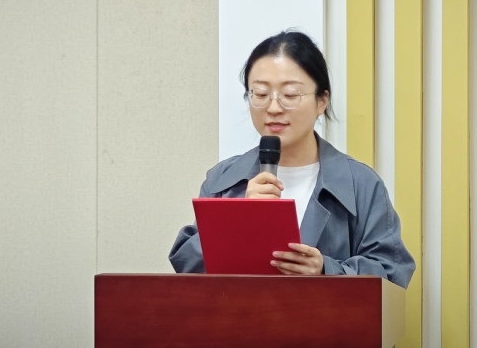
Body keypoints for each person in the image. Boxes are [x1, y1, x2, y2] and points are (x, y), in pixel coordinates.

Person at [169, 30, 415, 288]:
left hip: (324, 316)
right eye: (260, 94)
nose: (274, 108)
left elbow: (392, 273)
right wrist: (238, 220)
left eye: (290, 95)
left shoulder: (360, 184)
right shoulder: (223, 179)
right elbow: (187, 265)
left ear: (322, 101)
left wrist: (326, 270)